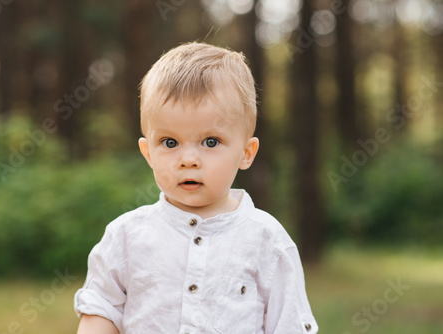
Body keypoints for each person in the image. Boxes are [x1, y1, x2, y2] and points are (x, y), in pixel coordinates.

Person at [74, 42, 318, 334]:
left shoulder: (267, 241)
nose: (188, 160)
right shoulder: (125, 238)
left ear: (246, 153)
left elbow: (289, 324)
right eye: (170, 143)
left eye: (210, 142)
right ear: (148, 152)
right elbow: (100, 312)